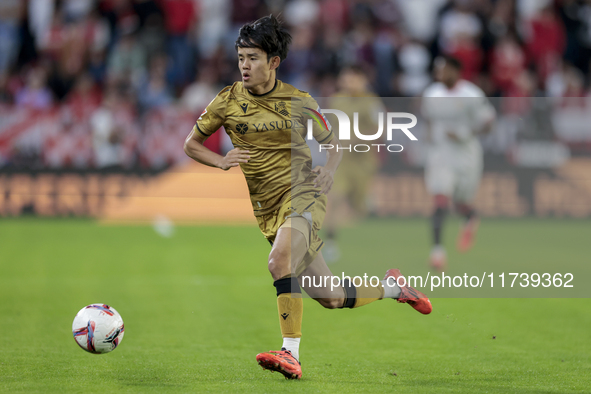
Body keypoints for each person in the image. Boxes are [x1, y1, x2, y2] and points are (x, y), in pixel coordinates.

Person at [184, 15, 432, 380]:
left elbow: (333, 143)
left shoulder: (298, 101)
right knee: (330, 297)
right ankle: (395, 287)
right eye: (240, 58)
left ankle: (290, 353)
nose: (244, 66)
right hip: (267, 209)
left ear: (274, 62)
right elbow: (191, 144)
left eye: (252, 58)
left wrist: (329, 169)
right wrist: (221, 161)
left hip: (304, 195)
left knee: (278, 260)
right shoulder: (227, 101)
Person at [422, 56, 496, 271]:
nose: (439, 74)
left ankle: (470, 218)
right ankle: (437, 252)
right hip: (441, 154)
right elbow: (429, 121)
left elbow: (489, 124)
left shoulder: (471, 95)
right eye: (437, 70)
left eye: (443, 69)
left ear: (456, 70)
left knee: (461, 203)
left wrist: (465, 133)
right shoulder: (431, 94)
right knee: (440, 199)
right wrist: (428, 142)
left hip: (466, 155)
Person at [323, 65, 384, 263]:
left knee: (359, 208)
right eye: (345, 78)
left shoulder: (371, 102)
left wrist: (358, 140)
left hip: (363, 161)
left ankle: (367, 203)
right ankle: (330, 244)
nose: (347, 82)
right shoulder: (336, 100)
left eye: (352, 79)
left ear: (361, 80)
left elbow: (380, 129)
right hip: (342, 161)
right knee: (336, 197)